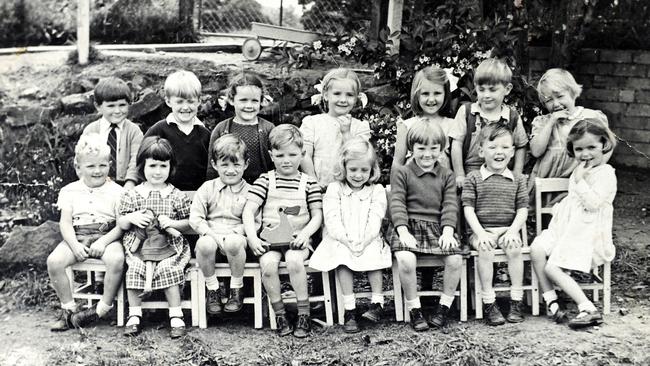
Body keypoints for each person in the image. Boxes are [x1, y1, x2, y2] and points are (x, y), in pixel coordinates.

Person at [531, 118, 617, 329]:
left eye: (591, 147)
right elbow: (573, 200)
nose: (585, 154)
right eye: (579, 149)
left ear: (604, 144)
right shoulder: (580, 169)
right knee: (537, 248)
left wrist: (579, 181)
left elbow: (593, 203)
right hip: (565, 228)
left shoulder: (606, 173)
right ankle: (552, 300)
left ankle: (587, 307)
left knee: (552, 267)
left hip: (586, 233)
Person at [243, 124, 323, 338]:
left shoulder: (309, 184)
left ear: (302, 154)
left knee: (295, 261)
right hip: (270, 240)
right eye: (280, 155)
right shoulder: (265, 180)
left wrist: (306, 234)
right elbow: (249, 211)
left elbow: (317, 215)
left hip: (298, 239)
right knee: (268, 265)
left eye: (292, 154)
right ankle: (280, 314)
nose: (286, 160)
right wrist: (252, 237)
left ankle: (303, 313)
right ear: (271, 155)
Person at [386, 119, 465, 331]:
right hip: (408, 227)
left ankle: (444, 307)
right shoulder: (402, 172)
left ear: (442, 149)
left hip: (437, 228)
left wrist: (448, 231)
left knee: (456, 258)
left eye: (434, 148)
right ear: (411, 148)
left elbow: (450, 205)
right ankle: (414, 308)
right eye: (421, 148)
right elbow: (397, 203)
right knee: (405, 259)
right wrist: (402, 230)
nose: (427, 154)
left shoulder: (447, 175)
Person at [309, 138, 391, 333]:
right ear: (343, 167)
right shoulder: (334, 189)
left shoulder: (376, 191)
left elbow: (375, 218)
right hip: (340, 237)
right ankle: (350, 308)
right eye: (353, 169)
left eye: (364, 170)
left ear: (372, 170)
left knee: (373, 252)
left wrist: (365, 239)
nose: (358, 175)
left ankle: (377, 302)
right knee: (342, 257)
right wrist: (346, 239)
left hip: (367, 236)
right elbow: (332, 219)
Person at [46, 133, 124, 331]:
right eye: (90, 166)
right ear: (77, 167)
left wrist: (104, 242)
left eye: (103, 165)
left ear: (110, 164)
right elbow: (65, 224)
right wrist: (74, 245)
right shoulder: (69, 191)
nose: (97, 171)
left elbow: (121, 225)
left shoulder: (117, 191)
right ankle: (69, 310)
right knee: (54, 261)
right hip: (77, 235)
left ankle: (101, 309)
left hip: (106, 235)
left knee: (116, 259)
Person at [118, 137, 193, 338]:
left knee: (168, 268)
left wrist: (173, 223)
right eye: (152, 165)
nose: (157, 171)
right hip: (139, 246)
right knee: (135, 268)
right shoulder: (133, 194)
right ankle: (134, 315)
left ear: (171, 167)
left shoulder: (176, 195)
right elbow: (121, 223)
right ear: (142, 166)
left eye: (163, 165)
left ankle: (176, 315)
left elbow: (189, 222)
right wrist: (131, 217)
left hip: (170, 245)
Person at [462, 124, 529, 326]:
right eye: (492, 147)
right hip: (482, 231)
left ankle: (516, 299)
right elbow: (468, 209)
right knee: (485, 248)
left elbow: (522, 210)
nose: (499, 152)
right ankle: (489, 301)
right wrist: (480, 233)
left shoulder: (517, 179)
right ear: (481, 151)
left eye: (505, 147)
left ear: (512, 151)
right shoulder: (473, 178)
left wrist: (513, 231)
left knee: (515, 248)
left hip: (508, 230)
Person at [191, 134, 252, 316]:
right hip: (211, 236)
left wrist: (233, 233)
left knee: (233, 242)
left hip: (237, 241)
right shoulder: (207, 188)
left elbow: (254, 222)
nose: (230, 170)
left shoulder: (251, 192)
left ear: (246, 164)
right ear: (215, 164)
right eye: (224, 165)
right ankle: (213, 289)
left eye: (236, 165)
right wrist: (212, 235)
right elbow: (195, 218)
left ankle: (236, 289)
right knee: (204, 243)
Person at [449, 58, 528, 188]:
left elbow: (520, 146)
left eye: (492, 90)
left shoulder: (511, 117)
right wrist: (459, 174)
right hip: (471, 174)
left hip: (502, 174)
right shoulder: (467, 112)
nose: (486, 95)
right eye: (481, 89)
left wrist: (516, 173)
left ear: (507, 89)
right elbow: (456, 144)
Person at [528, 68, 611, 192]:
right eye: (549, 100)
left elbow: (609, 145)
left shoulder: (590, 117)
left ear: (573, 93)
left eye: (560, 96)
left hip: (580, 181)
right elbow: (536, 151)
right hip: (548, 181)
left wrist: (595, 169)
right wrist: (551, 122)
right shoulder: (542, 122)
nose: (556, 104)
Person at [300, 68, 371, 189]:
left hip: (348, 190)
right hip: (317, 187)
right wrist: (313, 181)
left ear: (356, 99)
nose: (343, 100)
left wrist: (346, 132)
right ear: (326, 95)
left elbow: (358, 157)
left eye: (349, 95)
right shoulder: (312, 123)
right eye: (337, 94)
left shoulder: (360, 127)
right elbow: (304, 154)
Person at [143, 70, 210, 190]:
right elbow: (143, 161)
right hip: (165, 195)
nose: (185, 107)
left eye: (190, 101)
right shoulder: (158, 130)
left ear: (199, 101)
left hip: (198, 196)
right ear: (168, 101)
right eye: (179, 102)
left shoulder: (205, 134)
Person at [206, 72, 274, 185]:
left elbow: (275, 162)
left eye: (254, 101)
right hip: (229, 188)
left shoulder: (268, 128)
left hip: (261, 188)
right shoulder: (222, 129)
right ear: (232, 100)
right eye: (243, 100)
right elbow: (211, 166)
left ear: (261, 101)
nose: (249, 106)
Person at [82, 77, 143, 189]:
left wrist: (130, 183)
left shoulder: (134, 131)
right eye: (111, 106)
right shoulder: (91, 130)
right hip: (97, 184)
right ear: (98, 106)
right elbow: (83, 160)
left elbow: (137, 159)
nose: (117, 111)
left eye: (122, 105)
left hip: (125, 184)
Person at [393, 65, 454, 170]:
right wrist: (396, 186)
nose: (431, 99)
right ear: (417, 95)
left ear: (445, 94)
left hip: (442, 184)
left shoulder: (452, 125)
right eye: (425, 94)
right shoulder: (407, 126)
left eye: (437, 93)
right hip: (413, 184)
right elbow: (397, 163)